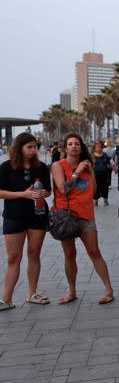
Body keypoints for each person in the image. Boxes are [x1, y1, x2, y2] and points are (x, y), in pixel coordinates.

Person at [51, 133, 115, 305]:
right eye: (70, 144)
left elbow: (93, 191)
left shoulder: (86, 166)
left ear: (81, 147)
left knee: (94, 252)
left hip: (86, 215)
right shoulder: (58, 166)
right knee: (69, 254)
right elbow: (63, 189)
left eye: (77, 144)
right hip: (66, 216)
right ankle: (71, 291)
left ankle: (109, 289)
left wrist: (90, 171)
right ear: (65, 148)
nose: (73, 146)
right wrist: (76, 173)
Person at [0, 132, 52, 309]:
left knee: (33, 254)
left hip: (37, 215)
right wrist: (23, 194)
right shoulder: (6, 167)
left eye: (35, 147)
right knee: (13, 257)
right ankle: (6, 299)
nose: (33, 150)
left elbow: (48, 190)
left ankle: (32, 293)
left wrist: (45, 193)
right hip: (14, 216)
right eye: (29, 147)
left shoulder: (42, 167)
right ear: (19, 148)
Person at [91, 141, 112, 206]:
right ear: (94, 148)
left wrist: (112, 168)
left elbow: (109, 165)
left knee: (105, 188)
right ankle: (95, 201)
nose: (99, 148)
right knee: (95, 188)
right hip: (95, 176)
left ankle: (105, 200)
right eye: (97, 147)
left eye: (100, 147)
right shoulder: (91, 156)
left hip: (104, 175)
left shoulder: (105, 155)